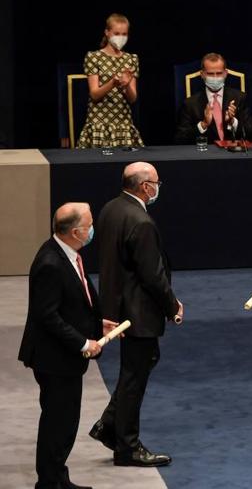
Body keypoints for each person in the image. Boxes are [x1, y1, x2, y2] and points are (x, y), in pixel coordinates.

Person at [89, 162, 182, 467]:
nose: (158, 187)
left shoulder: (110, 209)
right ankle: (126, 446)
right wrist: (172, 306)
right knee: (134, 376)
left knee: (140, 366)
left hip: (117, 303)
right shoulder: (140, 221)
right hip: (137, 312)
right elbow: (153, 275)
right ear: (145, 186)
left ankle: (109, 425)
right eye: (156, 182)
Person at [18, 203, 117, 489]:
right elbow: (46, 315)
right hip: (54, 359)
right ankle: (49, 483)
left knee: (64, 421)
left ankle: (58, 477)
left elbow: (74, 303)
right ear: (76, 232)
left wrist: (98, 327)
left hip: (63, 357)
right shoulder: (50, 263)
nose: (93, 229)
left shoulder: (66, 253)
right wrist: (83, 341)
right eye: (90, 225)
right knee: (57, 422)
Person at [76, 13, 144, 149]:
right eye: (117, 33)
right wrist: (113, 83)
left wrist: (126, 86)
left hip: (123, 124)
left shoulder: (131, 59)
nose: (121, 37)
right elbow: (94, 94)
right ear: (107, 32)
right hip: (99, 123)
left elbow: (132, 98)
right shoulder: (94, 57)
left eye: (124, 34)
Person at [174, 52, 252, 144]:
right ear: (202, 74)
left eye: (219, 73)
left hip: (234, 154)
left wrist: (233, 122)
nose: (215, 77)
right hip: (206, 155)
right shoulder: (190, 104)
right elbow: (181, 139)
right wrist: (203, 124)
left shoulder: (239, 98)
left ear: (225, 73)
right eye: (210, 74)